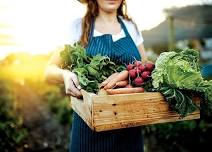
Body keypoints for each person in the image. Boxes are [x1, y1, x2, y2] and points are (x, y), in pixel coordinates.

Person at [45, 0, 149, 151]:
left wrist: (127, 75)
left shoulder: (130, 26)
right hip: (89, 131)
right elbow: (48, 70)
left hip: (130, 128)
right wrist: (65, 75)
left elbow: (145, 67)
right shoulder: (77, 27)